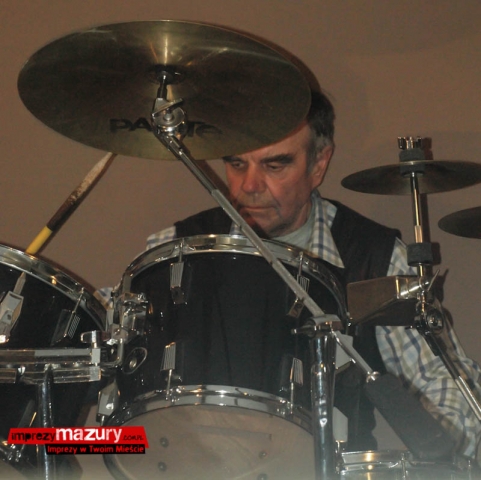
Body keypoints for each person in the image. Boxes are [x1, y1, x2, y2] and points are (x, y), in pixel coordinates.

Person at [98, 90, 481, 461]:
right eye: (236, 164)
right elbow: (105, 340)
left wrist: (447, 455)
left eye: (274, 165)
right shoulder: (173, 250)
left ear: (319, 164)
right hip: (186, 465)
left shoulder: (374, 257)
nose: (249, 186)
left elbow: (442, 383)